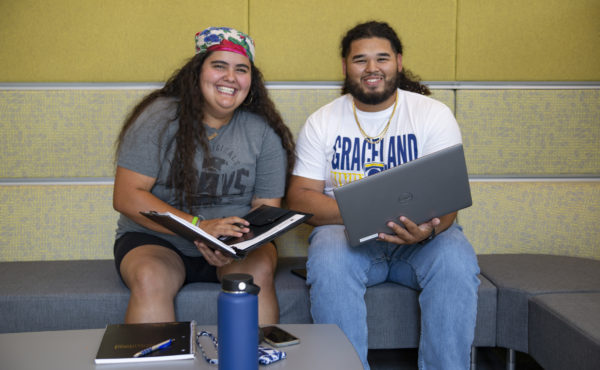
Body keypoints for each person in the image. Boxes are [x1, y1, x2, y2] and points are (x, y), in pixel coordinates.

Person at [286, 21, 480, 370]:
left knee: (455, 256)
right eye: (360, 60)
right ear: (345, 67)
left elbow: (449, 198)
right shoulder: (323, 121)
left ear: (399, 62)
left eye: (382, 58)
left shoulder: (432, 114)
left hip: (421, 241)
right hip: (351, 242)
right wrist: (367, 213)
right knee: (327, 249)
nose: (372, 68)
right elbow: (300, 198)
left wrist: (430, 231)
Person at [113, 26, 294, 325]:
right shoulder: (158, 117)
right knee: (150, 278)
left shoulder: (263, 130)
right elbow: (127, 195)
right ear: (196, 72)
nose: (230, 78)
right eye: (219, 66)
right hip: (158, 241)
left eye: (241, 69)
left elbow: (267, 210)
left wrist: (233, 246)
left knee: (255, 274)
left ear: (252, 80)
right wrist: (200, 228)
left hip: (235, 243)